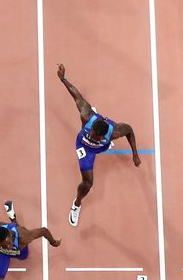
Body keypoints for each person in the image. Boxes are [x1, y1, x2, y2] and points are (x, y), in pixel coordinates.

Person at [57, 64, 141, 227]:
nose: (93, 135)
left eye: (96, 136)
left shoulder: (115, 131)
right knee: (88, 183)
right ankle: (77, 204)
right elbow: (76, 95)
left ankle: (104, 145)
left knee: (105, 143)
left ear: (104, 134)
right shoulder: (86, 116)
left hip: (101, 146)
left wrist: (135, 154)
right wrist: (63, 79)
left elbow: (129, 130)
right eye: (93, 133)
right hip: (84, 147)